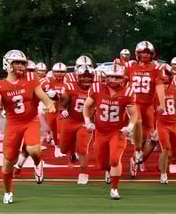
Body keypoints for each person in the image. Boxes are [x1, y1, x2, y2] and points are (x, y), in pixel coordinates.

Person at [0, 50, 56, 204]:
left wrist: (49, 104)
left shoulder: (31, 78)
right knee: (8, 162)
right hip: (12, 124)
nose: (20, 66)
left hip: (30, 120)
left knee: (33, 149)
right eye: (16, 63)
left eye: (22, 63)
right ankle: (7, 192)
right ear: (8, 64)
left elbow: (40, 94)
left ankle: (38, 164)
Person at [83, 64, 138, 200]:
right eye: (111, 76)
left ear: (123, 79)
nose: (113, 79)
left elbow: (134, 114)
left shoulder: (127, 92)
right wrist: (88, 121)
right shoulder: (96, 88)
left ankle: (114, 189)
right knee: (102, 164)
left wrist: (129, 128)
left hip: (117, 131)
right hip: (100, 131)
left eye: (117, 77)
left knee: (114, 160)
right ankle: (110, 171)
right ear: (105, 77)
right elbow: (86, 106)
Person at [126, 41, 165, 177]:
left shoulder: (156, 68)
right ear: (137, 54)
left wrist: (162, 103)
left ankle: (135, 161)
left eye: (148, 53)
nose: (145, 55)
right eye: (143, 52)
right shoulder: (130, 66)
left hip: (148, 105)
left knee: (149, 137)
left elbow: (159, 86)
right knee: (137, 122)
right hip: (133, 102)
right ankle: (137, 151)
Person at [61, 65, 95, 184]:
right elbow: (63, 99)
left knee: (82, 147)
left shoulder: (97, 89)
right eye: (83, 77)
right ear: (77, 77)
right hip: (70, 120)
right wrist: (63, 108)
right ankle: (71, 153)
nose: (86, 80)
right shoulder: (70, 86)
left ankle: (83, 173)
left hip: (86, 122)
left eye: (88, 77)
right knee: (63, 149)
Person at [157, 65, 176, 184]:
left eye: (167, 76)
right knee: (165, 148)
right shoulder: (155, 89)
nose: (165, 79)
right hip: (162, 122)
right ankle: (163, 173)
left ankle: (174, 162)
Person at [40, 62, 68, 158]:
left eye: (61, 71)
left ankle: (69, 149)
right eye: (57, 71)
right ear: (53, 72)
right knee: (53, 130)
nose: (59, 73)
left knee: (61, 130)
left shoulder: (69, 82)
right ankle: (57, 148)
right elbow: (39, 88)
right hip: (51, 109)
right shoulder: (48, 81)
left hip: (62, 109)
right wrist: (47, 91)